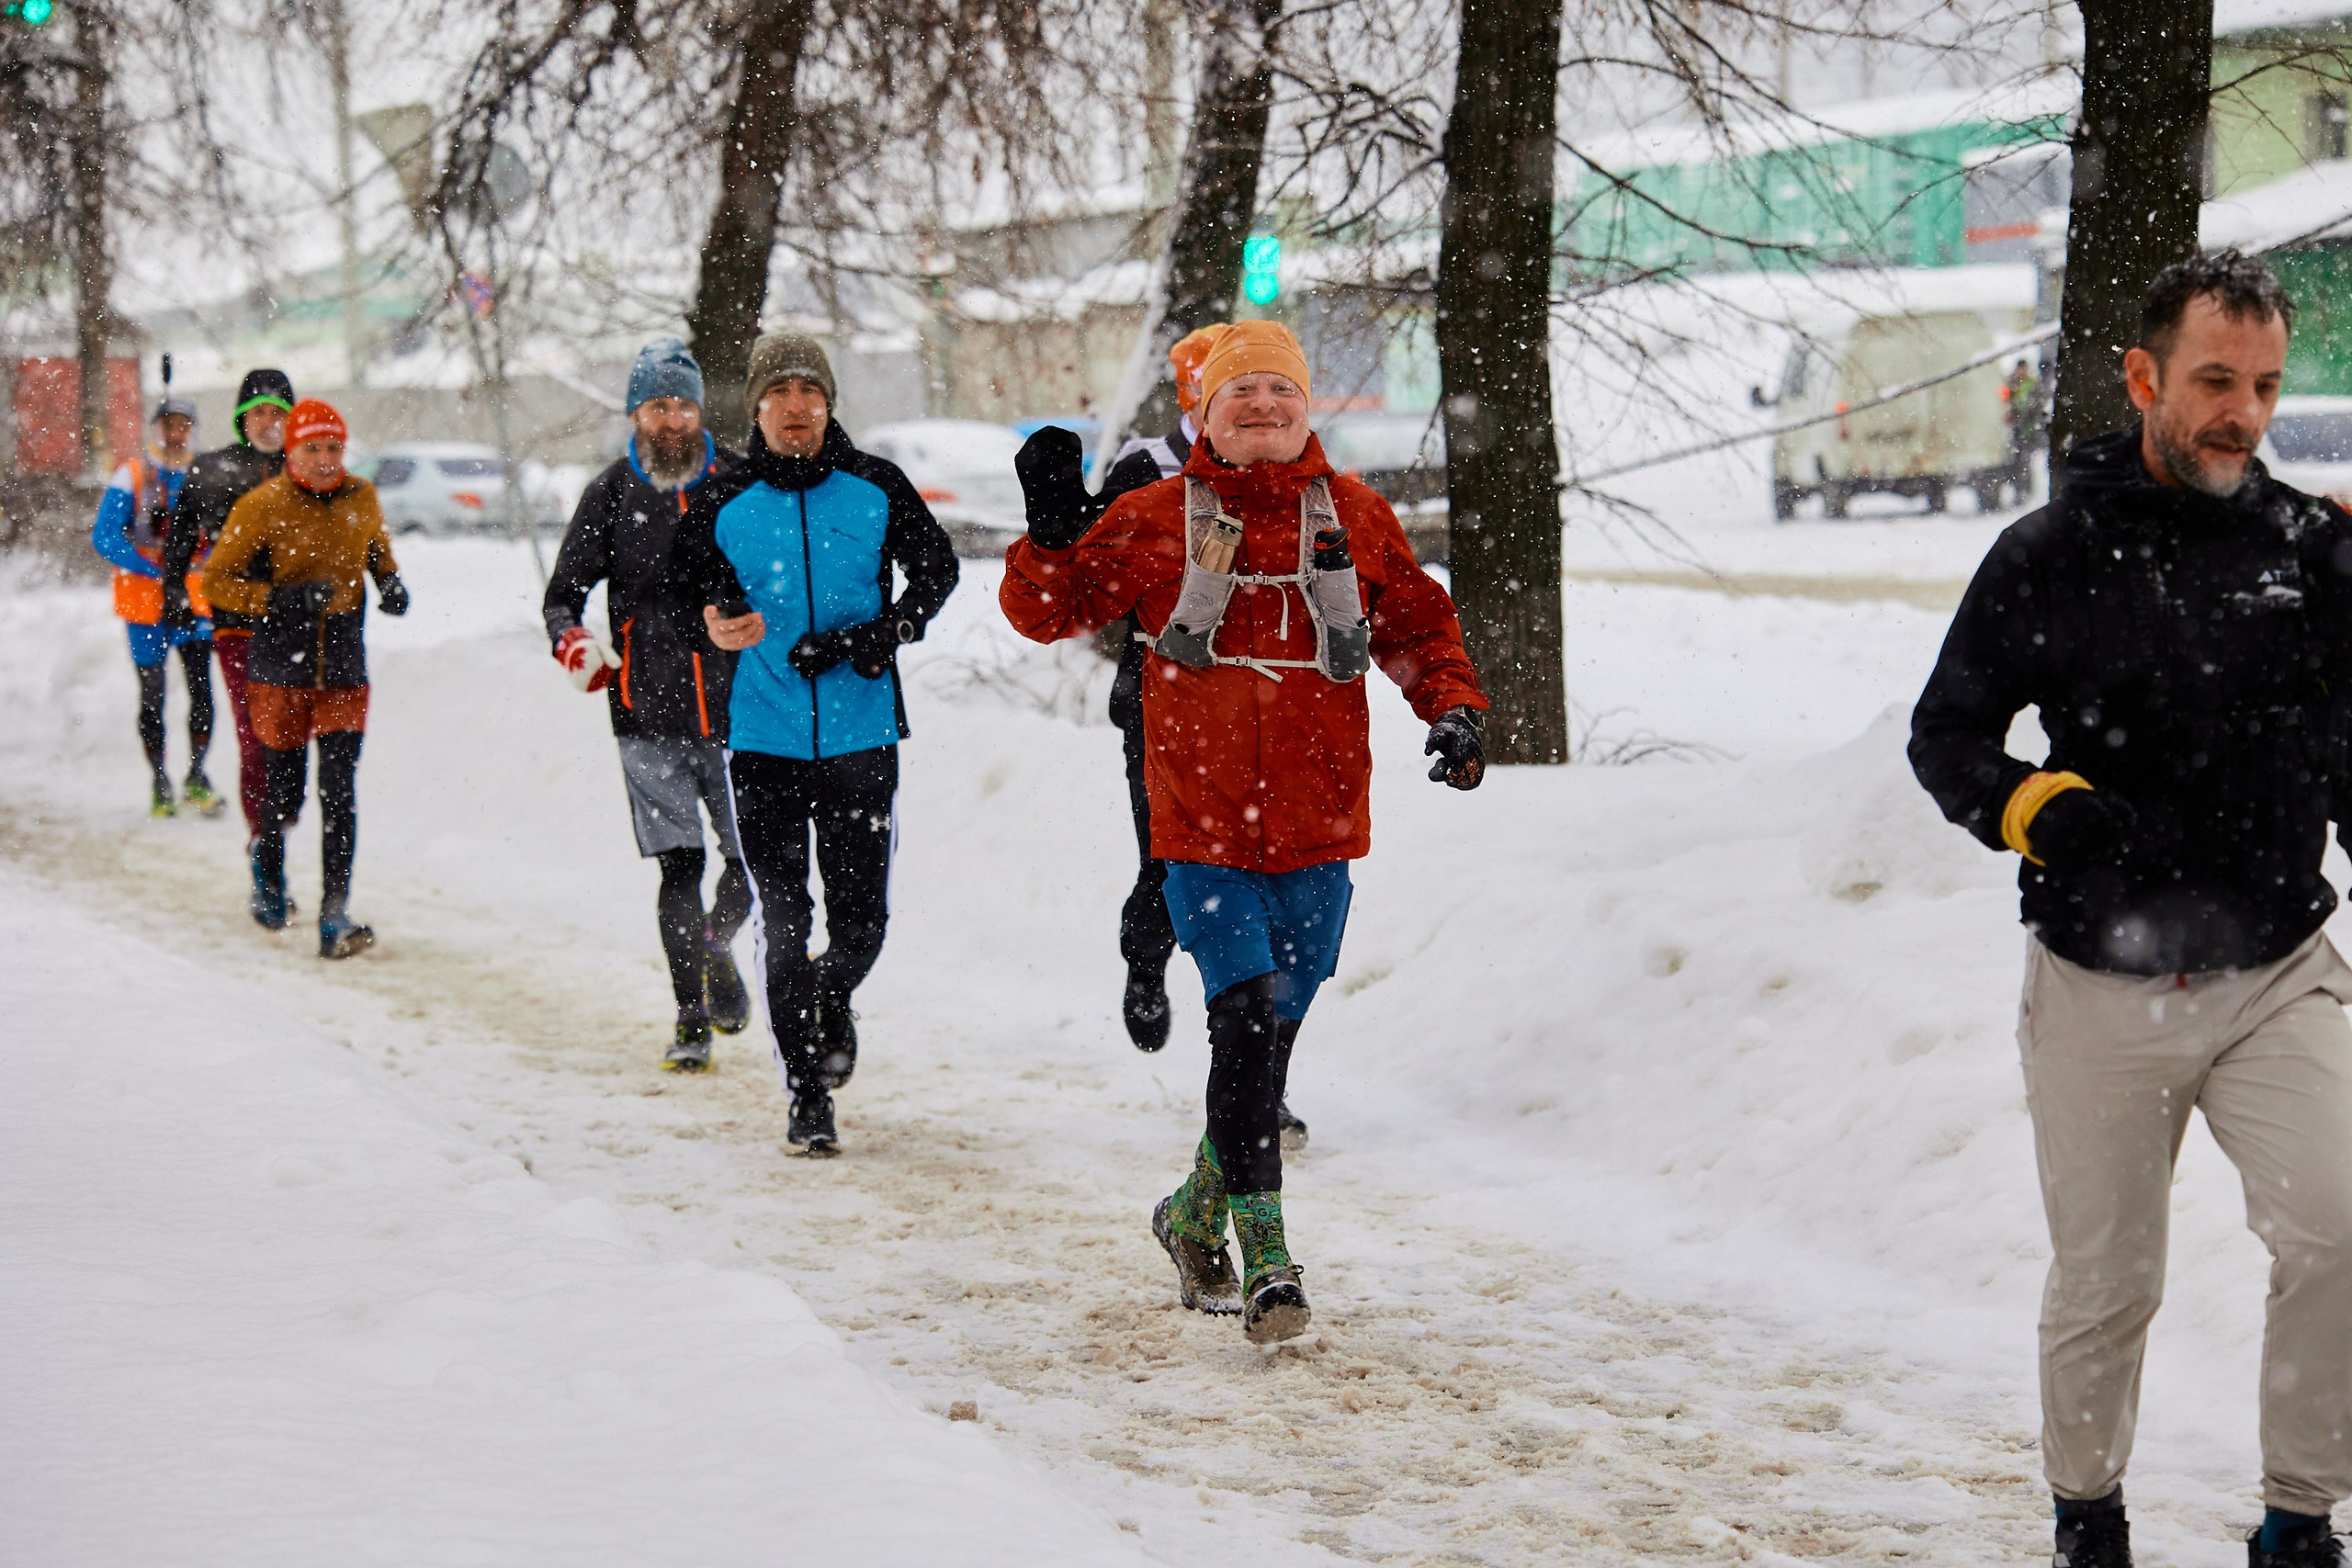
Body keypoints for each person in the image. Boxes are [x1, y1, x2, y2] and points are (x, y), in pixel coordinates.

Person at [1910, 250, 2352, 1568]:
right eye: (2215, 381)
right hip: (2101, 978)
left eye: (2264, 385)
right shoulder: (2048, 554)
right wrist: (2030, 804)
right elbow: (1947, 735)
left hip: (2276, 965)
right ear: (2144, 378)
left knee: (2341, 1226)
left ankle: (2301, 1519)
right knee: (2111, 1281)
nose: (2242, 413)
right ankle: (2087, 1516)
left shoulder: (2314, 552)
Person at [1000, 321, 1488, 1345]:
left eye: (1280, 390)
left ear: (1306, 409)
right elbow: (1048, 613)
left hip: (1321, 823)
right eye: (1240, 393)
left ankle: (1189, 1214)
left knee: (1269, 1041)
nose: (1262, 406)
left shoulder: (1354, 516)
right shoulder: (1152, 516)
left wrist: (1452, 708)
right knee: (1244, 1023)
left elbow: (1416, 627)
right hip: (1201, 822)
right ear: (1206, 413)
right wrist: (1046, 532)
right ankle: (1268, 1259)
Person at [672, 333, 959, 1154]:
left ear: (829, 404)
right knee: (786, 919)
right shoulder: (723, 500)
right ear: (756, 407)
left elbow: (937, 570)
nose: (794, 406)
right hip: (763, 741)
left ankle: (828, 997)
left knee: (861, 924)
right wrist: (713, 619)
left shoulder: (876, 486)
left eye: (810, 391)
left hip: (862, 737)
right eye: (779, 392)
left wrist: (886, 631)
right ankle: (806, 1091)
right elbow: (683, 589)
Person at [1013, 327, 1259, 1072]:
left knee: (1255, 877)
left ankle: (1254, 1058)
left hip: (1259, 702)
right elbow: (1087, 581)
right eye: (1221, 387)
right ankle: (1146, 954)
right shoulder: (1145, 466)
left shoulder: (1279, 468)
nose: (1241, 403)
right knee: (1170, 858)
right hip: (1161, 697)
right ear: (1191, 392)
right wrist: (1057, 524)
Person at [543, 339, 753, 1073]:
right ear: (635, 412)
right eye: (658, 405)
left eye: (684, 404)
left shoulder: (739, 480)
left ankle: (715, 945)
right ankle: (691, 1019)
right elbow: (562, 596)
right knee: (680, 869)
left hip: (741, 710)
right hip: (645, 709)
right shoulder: (610, 494)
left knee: (751, 861)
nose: (673, 418)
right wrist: (573, 643)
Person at [199, 399, 410, 959]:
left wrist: (390, 582)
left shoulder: (362, 496)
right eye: (311, 448)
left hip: (342, 665)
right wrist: (277, 600)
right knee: (285, 791)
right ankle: (268, 873)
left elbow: (377, 550)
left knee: (339, 791)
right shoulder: (261, 505)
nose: (324, 459)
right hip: (280, 668)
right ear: (291, 451)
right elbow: (217, 581)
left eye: (333, 447)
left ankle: (334, 915)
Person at [163, 368, 296, 841]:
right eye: (258, 413)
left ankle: (282, 817)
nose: (269, 422)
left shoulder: (305, 469)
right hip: (236, 621)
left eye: (278, 413)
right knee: (254, 730)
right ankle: (262, 839)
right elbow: (179, 539)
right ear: (242, 419)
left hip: (297, 624)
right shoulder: (211, 470)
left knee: (289, 734)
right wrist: (174, 592)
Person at [91, 395, 214, 817]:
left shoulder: (206, 475)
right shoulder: (132, 476)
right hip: (145, 604)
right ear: (155, 429)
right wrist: (150, 568)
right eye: (168, 425)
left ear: (193, 430)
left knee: (202, 689)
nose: (175, 434)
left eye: (183, 426)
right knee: (152, 695)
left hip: (195, 601)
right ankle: (159, 779)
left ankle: (197, 774)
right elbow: (105, 536)